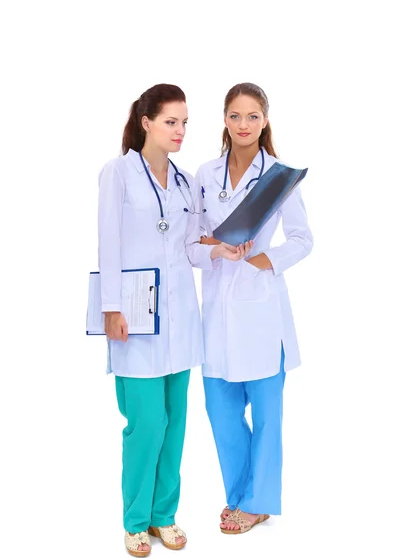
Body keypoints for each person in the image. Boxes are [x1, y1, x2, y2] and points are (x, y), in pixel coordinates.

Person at [97, 83, 251, 556]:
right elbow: (108, 242)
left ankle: (165, 516)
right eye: (171, 122)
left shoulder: (185, 182)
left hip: (181, 317)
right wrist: (111, 307)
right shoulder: (119, 174)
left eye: (184, 122)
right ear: (146, 122)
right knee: (145, 423)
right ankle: (135, 520)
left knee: (175, 422)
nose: (180, 130)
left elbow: (189, 244)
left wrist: (218, 249)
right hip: (135, 316)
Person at [196, 82, 314, 535]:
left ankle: (257, 501)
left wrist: (266, 260)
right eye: (234, 116)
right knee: (221, 410)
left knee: (266, 416)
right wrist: (212, 246)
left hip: (262, 311)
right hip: (217, 313)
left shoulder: (279, 176)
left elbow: (303, 239)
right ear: (224, 121)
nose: (243, 124)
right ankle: (242, 492)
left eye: (252, 116)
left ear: (264, 120)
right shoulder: (206, 173)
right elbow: (197, 232)